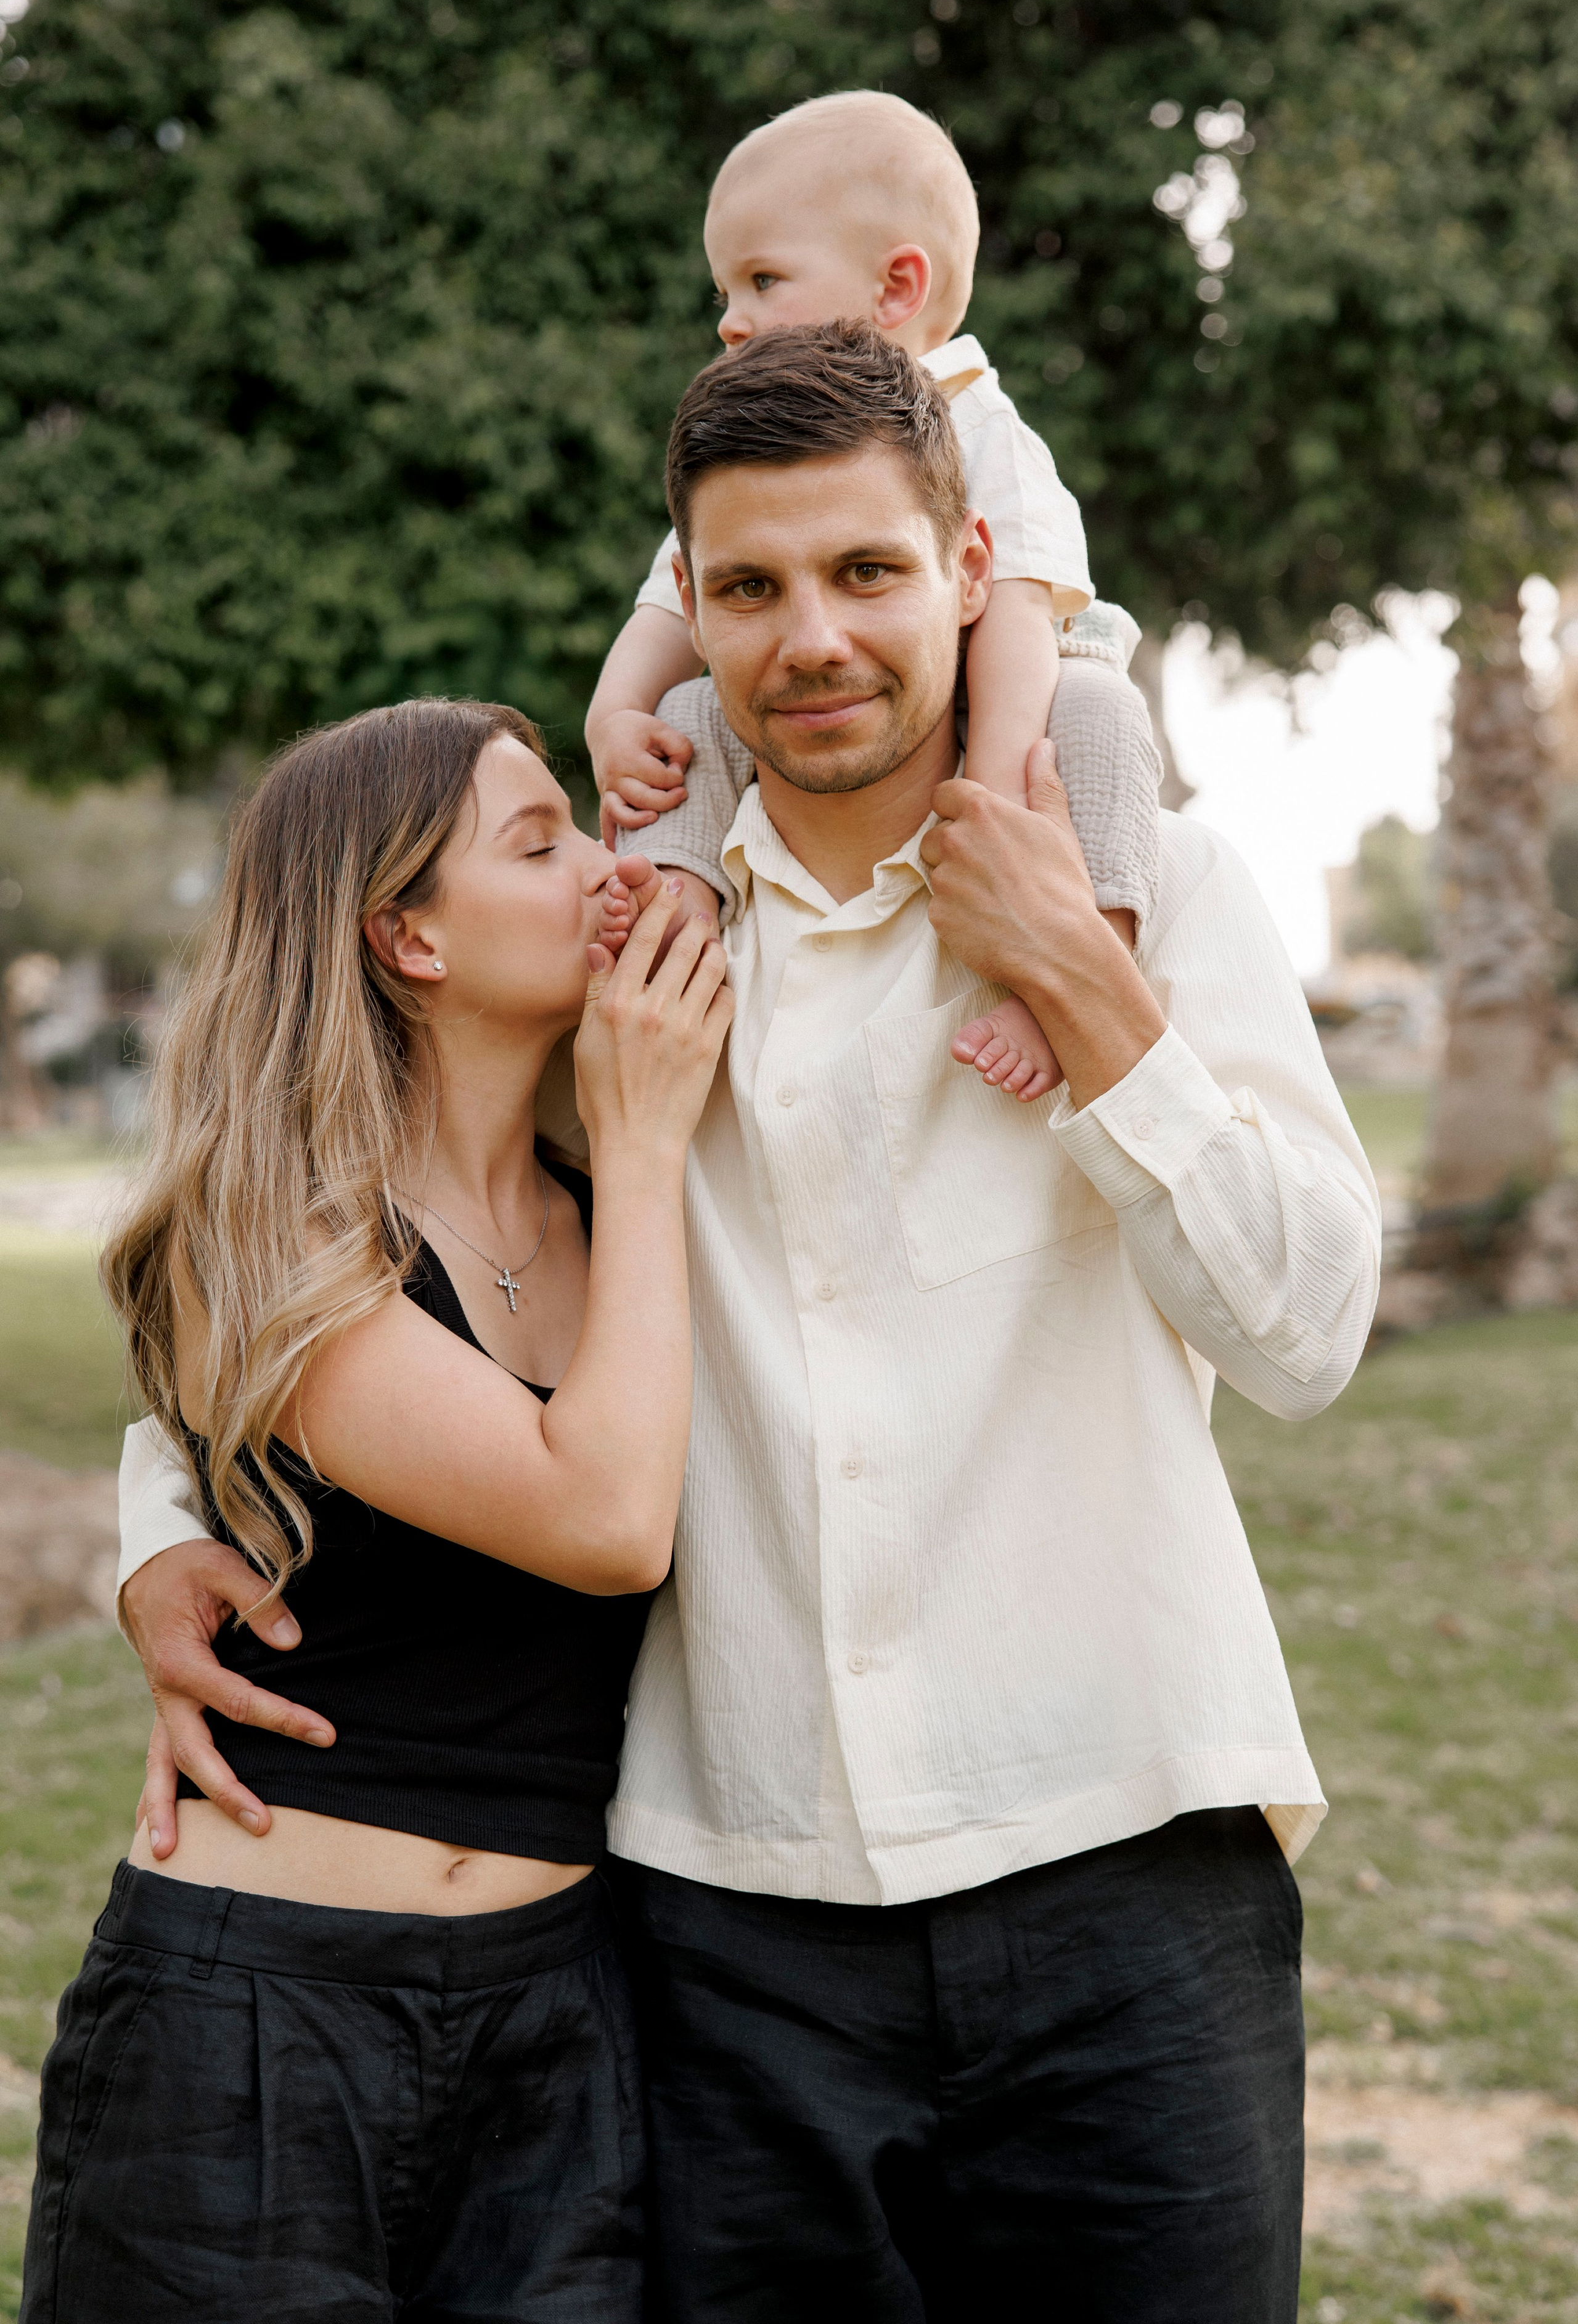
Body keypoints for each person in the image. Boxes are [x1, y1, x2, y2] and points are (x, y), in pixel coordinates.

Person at [118, 325, 1381, 2320]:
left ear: (972, 570)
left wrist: (1088, 989)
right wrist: (159, 1532)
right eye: (751, 587)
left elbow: (1309, 1334)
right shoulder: (621, 957)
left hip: (1130, 1858)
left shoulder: (1160, 898)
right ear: (686, 616)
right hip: (724, 1925)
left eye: (868, 572)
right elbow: (350, 1234)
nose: (814, 637)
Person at [22, 698, 732, 2323]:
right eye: (539, 843)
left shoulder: (603, 1209)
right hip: (257, 2030)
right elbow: (609, 1519)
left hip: (566, 2019)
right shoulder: (264, 1239)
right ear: (406, 932)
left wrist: (625, 1155)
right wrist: (639, 1133)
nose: (607, 870)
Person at [586, 88, 1159, 1106]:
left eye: (763, 278)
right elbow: (668, 611)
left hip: (1025, 697)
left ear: (898, 288)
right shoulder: (751, 459)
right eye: (725, 288)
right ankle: (672, 916)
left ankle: (1069, 963)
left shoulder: (988, 435)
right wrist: (611, 720)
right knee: (687, 713)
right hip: (883, 708)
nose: (730, 315)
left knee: (1106, 721)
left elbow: (1020, 623)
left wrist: (983, 816)